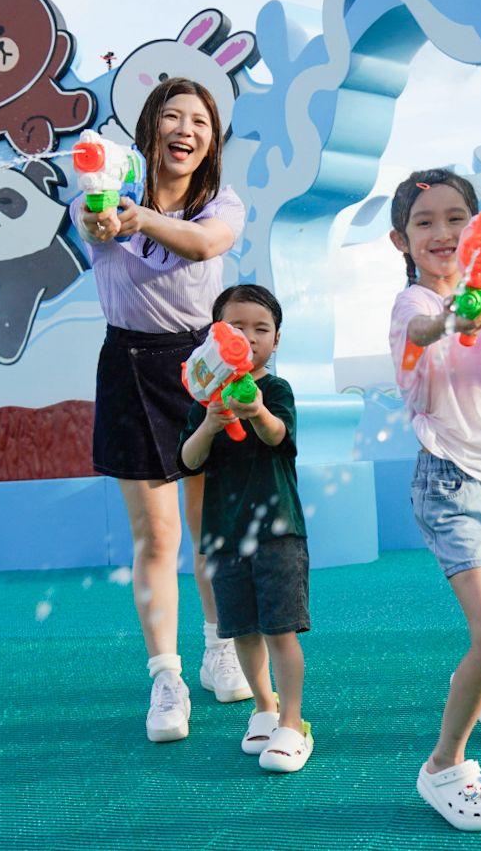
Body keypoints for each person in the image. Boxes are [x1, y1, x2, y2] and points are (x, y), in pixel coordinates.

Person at [73, 77, 250, 742]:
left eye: (199, 122)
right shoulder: (103, 195)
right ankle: (166, 678)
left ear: (210, 143)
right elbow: (94, 221)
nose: (185, 129)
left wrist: (140, 220)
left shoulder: (222, 204)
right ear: (148, 132)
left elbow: (207, 245)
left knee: (209, 533)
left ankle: (218, 648)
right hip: (128, 367)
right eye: (171, 117)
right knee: (157, 538)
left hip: (201, 368)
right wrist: (105, 214)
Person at [388, 169, 481, 831]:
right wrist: (452, 315)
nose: (442, 232)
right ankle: (443, 765)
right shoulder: (411, 302)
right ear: (402, 238)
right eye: (425, 222)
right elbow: (418, 335)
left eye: (456, 219)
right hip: (449, 481)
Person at [179, 283, 312, 773]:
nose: (250, 337)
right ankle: (264, 707)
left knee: (280, 629)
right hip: (225, 535)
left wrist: (255, 410)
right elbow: (188, 460)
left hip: (277, 531)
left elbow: (278, 435)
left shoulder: (275, 390)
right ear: (215, 334)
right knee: (243, 631)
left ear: (276, 341)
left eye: (262, 329)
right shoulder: (203, 400)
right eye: (237, 327)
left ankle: (294, 722)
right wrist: (211, 423)